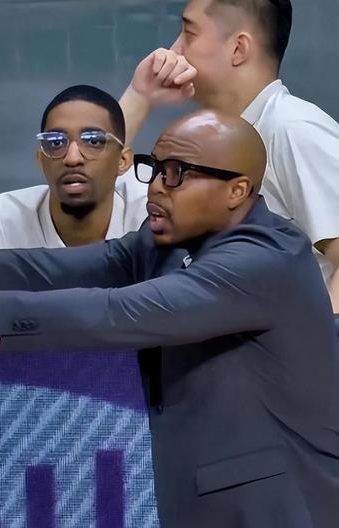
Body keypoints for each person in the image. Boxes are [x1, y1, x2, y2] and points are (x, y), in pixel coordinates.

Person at [0, 110, 339, 528]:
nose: (157, 188)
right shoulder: (172, 242)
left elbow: (118, 313)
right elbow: (48, 269)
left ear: (237, 190)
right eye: (154, 168)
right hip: (201, 512)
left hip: (281, 517)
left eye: (177, 174)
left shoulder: (264, 260)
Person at [118, 0, 339, 311]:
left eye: (189, 34)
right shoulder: (206, 140)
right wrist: (140, 95)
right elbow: (91, 184)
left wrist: (318, 339)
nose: (173, 51)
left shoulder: (293, 129)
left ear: (238, 48)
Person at [0, 85, 147, 252]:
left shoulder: (148, 219)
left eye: (93, 141)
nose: (72, 158)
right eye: (56, 143)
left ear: (123, 161)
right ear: (41, 160)